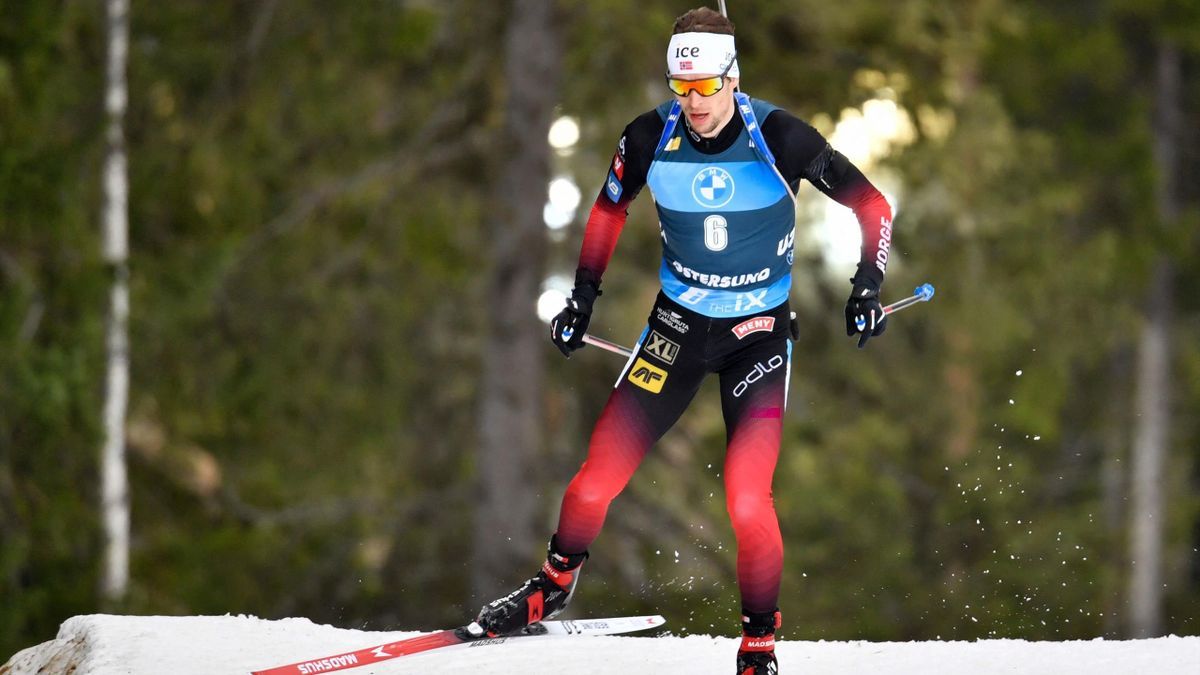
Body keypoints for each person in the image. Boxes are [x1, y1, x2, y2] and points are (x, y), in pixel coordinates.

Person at [472, 7, 894, 674]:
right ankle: (550, 588)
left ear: (732, 77)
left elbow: (873, 205)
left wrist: (867, 284)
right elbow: (610, 208)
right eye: (681, 87)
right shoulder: (648, 136)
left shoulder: (779, 136)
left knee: (748, 497)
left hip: (758, 337)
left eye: (706, 87)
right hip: (677, 328)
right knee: (592, 483)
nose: (694, 103)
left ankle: (758, 642)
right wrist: (583, 295)